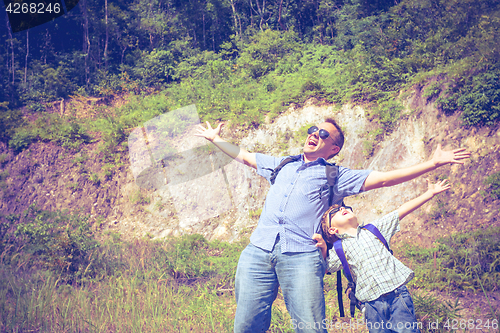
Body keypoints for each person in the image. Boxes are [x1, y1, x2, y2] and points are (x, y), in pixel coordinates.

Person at [195, 119, 470, 333]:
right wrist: (216, 139)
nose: (315, 134)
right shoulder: (284, 164)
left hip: (301, 255)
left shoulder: (333, 174)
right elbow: (245, 156)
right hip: (258, 250)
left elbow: (385, 179)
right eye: (313, 129)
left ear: (334, 148)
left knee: (310, 327)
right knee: (246, 325)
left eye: (323, 134)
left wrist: (433, 163)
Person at [313, 178, 451, 333]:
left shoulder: (374, 229)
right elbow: (326, 268)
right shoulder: (339, 248)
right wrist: (324, 247)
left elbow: (401, 210)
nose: (341, 209)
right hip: (372, 305)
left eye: (344, 208)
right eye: (334, 212)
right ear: (332, 230)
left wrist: (429, 193)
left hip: (398, 297)